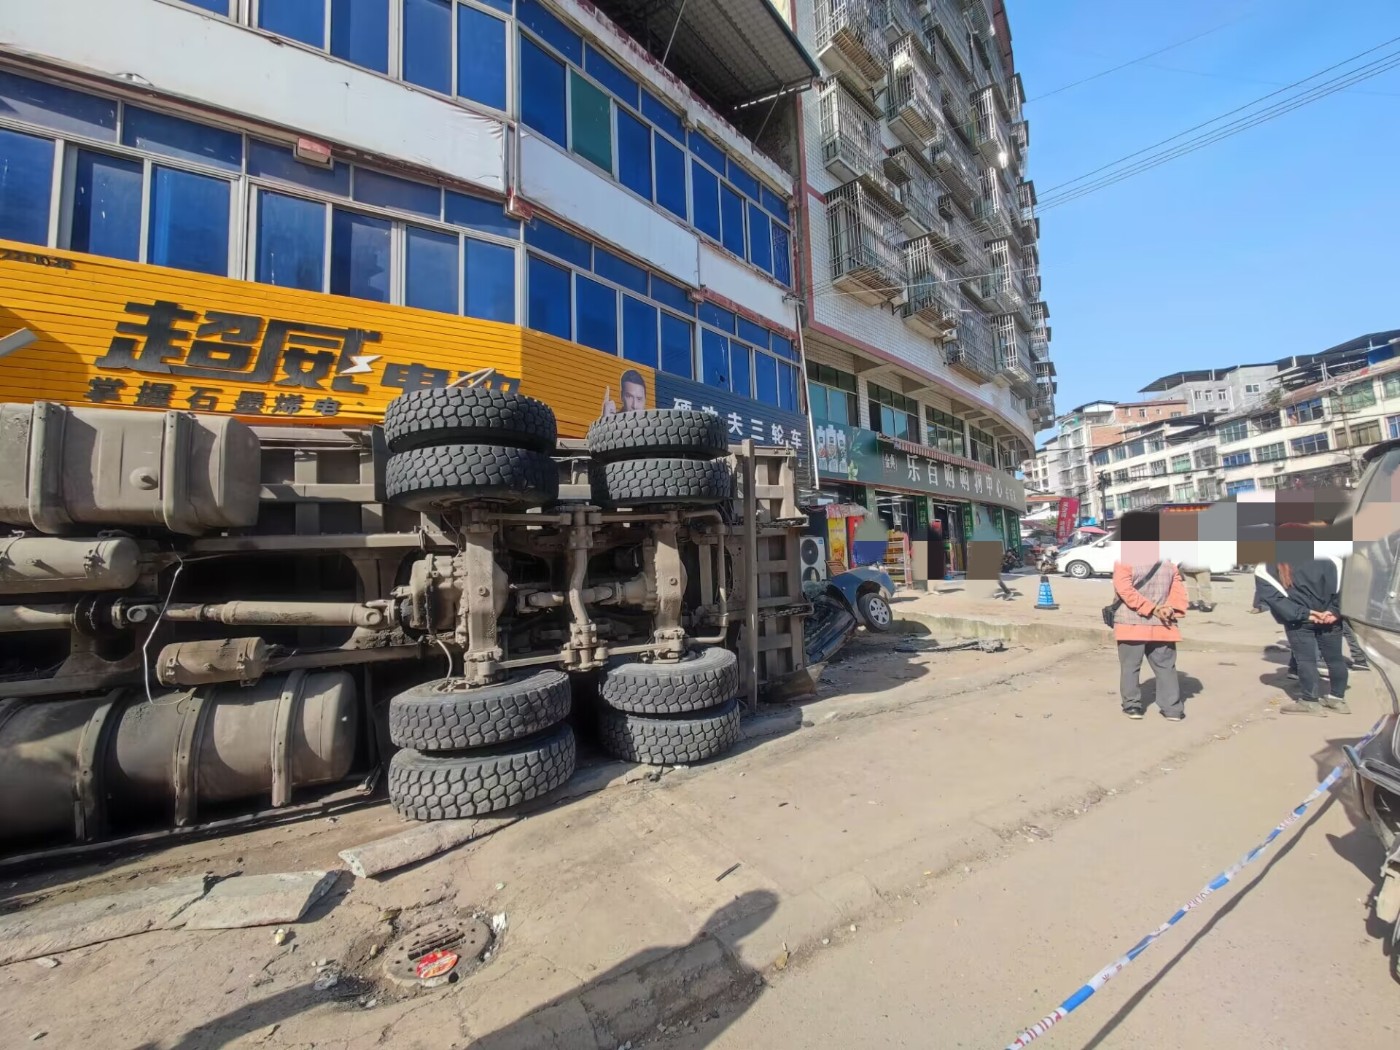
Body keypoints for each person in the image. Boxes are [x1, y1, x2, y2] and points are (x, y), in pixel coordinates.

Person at [1255, 558, 1349, 715]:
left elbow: (1272, 597)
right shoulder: (1333, 557)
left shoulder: (1267, 565)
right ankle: (1337, 699)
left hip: (1298, 621)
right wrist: (1334, 611)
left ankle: (1310, 702)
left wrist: (1306, 614)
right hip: (1329, 617)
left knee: (1306, 660)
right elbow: (1349, 586)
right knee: (1335, 659)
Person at [1112, 533, 1189, 721]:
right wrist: (1169, 608)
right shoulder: (1168, 563)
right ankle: (1172, 709)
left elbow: (1125, 590)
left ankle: (1133, 707)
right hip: (1162, 624)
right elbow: (1178, 591)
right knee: (1166, 667)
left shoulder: (1124, 561)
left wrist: (1151, 609)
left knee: (1130, 667)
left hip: (1130, 623)